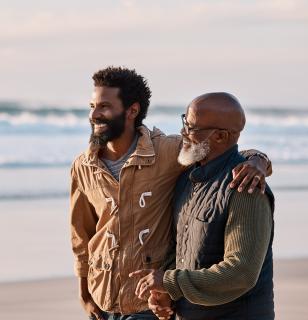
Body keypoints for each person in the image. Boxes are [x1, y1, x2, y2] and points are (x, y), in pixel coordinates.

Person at [70, 67, 272, 320]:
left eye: (104, 107)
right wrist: (85, 294)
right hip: (103, 300)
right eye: (92, 105)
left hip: (146, 305)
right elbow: (81, 235)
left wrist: (258, 161)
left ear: (132, 110)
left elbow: (226, 152)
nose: (94, 114)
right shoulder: (83, 166)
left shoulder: (169, 152)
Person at [130, 92, 275, 320]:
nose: (183, 133)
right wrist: (166, 293)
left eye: (191, 127)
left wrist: (169, 281)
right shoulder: (187, 179)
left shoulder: (246, 189)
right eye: (184, 122)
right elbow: (182, 249)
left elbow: (242, 272)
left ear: (220, 136)